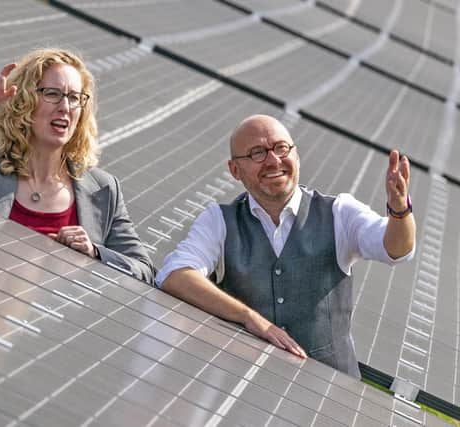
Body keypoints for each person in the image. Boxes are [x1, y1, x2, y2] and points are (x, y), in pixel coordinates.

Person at [156, 114, 415, 378]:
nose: (273, 160)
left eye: (281, 148)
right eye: (257, 153)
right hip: (245, 389)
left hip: (331, 393)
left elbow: (395, 250)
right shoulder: (219, 220)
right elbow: (175, 275)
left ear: (296, 155)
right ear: (235, 170)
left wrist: (399, 211)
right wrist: (248, 317)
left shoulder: (339, 212)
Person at [0, 48, 154, 283]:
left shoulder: (103, 190)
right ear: (24, 101)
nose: (65, 107)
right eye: (52, 94)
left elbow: (144, 270)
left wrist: (94, 253)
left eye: (75, 98)